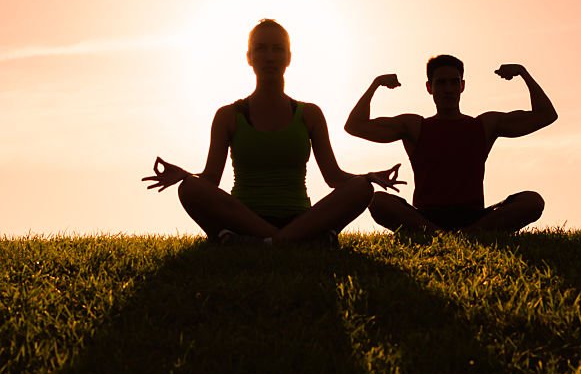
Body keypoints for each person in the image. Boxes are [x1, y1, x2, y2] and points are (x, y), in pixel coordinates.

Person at [142, 19, 404, 245]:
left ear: (289, 57)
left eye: (277, 49)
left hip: (300, 217)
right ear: (249, 57)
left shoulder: (309, 114)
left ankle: (263, 242)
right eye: (261, 49)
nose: (269, 56)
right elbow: (210, 179)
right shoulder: (228, 116)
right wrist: (186, 176)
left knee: (361, 189)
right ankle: (291, 241)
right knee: (189, 189)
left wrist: (367, 177)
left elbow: (334, 177)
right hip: (244, 217)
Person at [345, 54, 557, 232]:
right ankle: (440, 235)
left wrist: (523, 73)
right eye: (441, 83)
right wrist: (376, 84)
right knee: (378, 201)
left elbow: (545, 115)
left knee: (532, 201)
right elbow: (355, 126)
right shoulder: (414, 126)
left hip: (475, 217)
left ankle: (467, 235)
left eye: (454, 82)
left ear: (462, 86)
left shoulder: (485, 124)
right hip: (426, 218)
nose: (448, 89)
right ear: (430, 87)